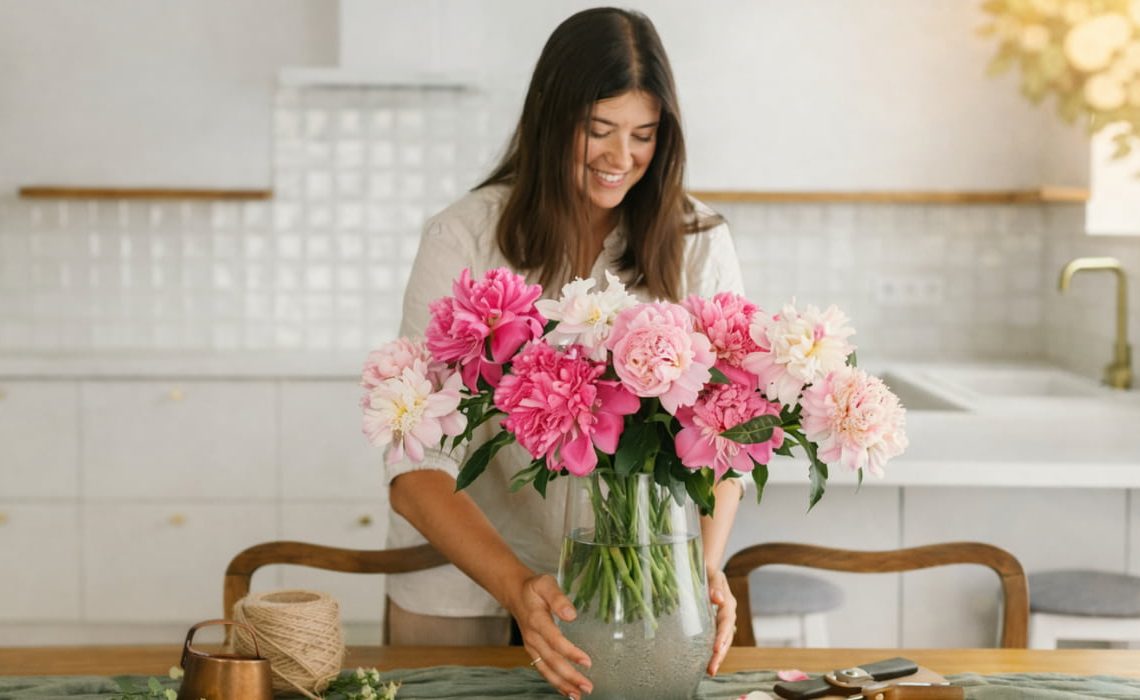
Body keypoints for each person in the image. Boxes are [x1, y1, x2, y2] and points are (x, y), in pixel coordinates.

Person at [385, 7, 745, 698]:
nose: (621, 157)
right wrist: (518, 586)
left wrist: (696, 570)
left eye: (643, 135)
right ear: (551, 120)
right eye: (599, 130)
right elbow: (413, 460)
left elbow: (722, 428)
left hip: (634, 594)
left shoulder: (697, 240)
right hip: (460, 587)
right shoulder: (464, 237)